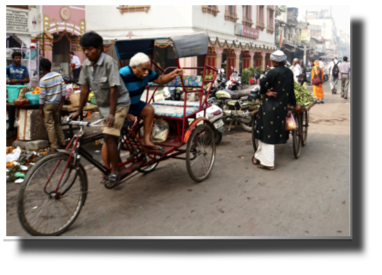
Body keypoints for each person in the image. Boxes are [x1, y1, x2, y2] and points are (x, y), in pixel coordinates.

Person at [69, 31, 131, 184]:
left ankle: (115, 172)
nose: (86, 52)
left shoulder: (109, 62)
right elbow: (84, 89)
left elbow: (114, 89)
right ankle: (114, 165)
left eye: (89, 49)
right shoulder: (87, 65)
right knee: (108, 136)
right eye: (84, 49)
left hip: (119, 104)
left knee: (109, 136)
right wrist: (78, 111)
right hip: (104, 106)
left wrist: (111, 113)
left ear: (99, 48)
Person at [119, 52, 183, 151]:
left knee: (149, 110)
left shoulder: (147, 73)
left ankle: (147, 140)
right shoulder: (123, 74)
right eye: (143, 69)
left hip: (135, 104)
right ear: (134, 67)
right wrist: (125, 112)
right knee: (111, 141)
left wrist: (172, 74)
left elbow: (160, 79)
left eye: (147, 69)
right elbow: (115, 95)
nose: (146, 72)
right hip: (120, 107)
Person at [252, 50, 302, 170]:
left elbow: (262, 81)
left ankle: (268, 163)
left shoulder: (272, 72)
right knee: (265, 132)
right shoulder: (289, 73)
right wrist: (295, 104)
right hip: (281, 107)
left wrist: (265, 91)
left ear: (274, 61)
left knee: (267, 133)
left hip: (269, 107)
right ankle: (258, 156)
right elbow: (291, 91)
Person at [39, 58, 67, 151]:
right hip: (57, 103)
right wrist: (61, 103)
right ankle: (62, 141)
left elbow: (42, 96)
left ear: (42, 68)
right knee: (57, 123)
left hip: (48, 105)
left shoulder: (43, 80)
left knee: (50, 125)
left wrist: (40, 108)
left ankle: (54, 145)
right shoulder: (58, 76)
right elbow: (64, 91)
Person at [6, 51, 30, 136]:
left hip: (21, 91)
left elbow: (27, 80)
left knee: (21, 110)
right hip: (12, 91)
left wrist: (17, 80)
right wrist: (9, 80)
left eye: (19, 58)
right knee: (12, 110)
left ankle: (20, 129)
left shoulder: (24, 68)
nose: (18, 59)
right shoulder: (8, 68)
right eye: (16, 58)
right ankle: (11, 129)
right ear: (13, 59)